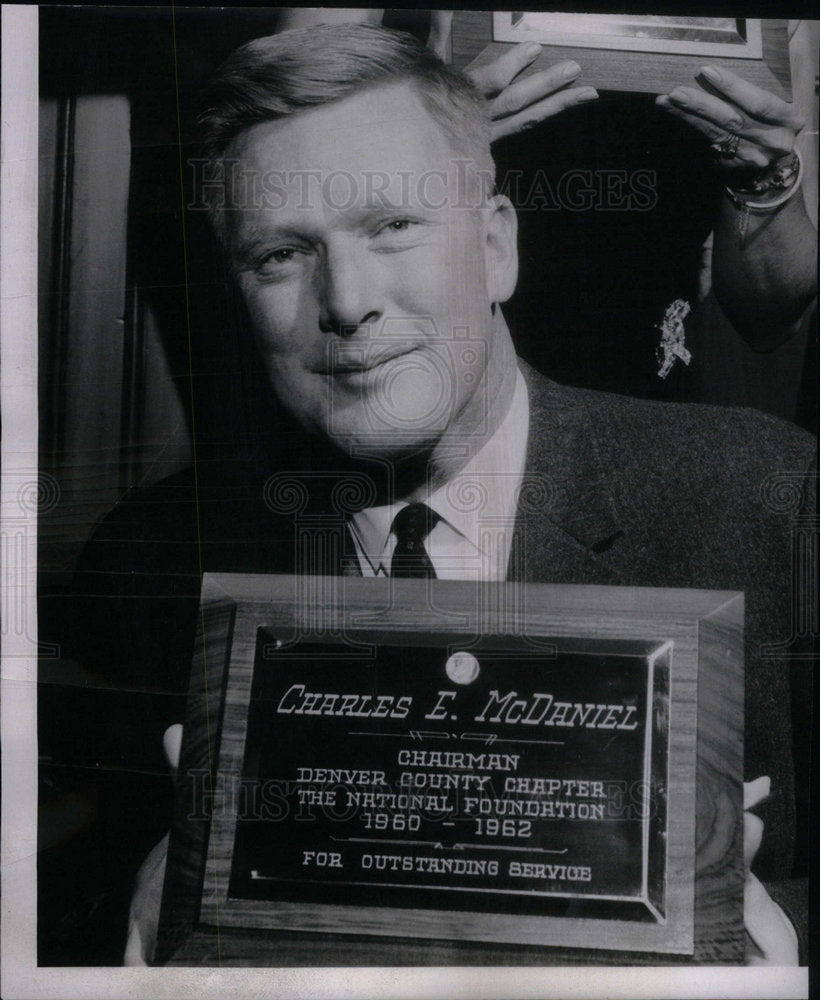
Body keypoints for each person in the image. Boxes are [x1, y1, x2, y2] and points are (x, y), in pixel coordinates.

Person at [65, 23, 814, 966]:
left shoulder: (772, 504)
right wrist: (147, 923)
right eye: (280, 256)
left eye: (394, 225)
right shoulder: (154, 571)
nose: (346, 301)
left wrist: (770, 955)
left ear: (497, 247)